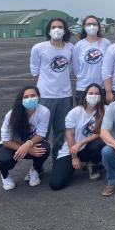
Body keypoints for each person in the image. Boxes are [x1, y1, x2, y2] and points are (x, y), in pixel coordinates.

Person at [29, 18, 73, 160]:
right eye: (53, 26)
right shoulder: (38, 48)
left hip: (65, 95)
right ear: (48, 30)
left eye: (60, 26)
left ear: (65, 30)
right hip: (45, 95)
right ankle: (38, 165)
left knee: (61, 130)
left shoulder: (70, 48)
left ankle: (57, 159)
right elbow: (35, 71)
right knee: (42, 131)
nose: (56, 29)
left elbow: (71, 68)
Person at [49, 84, 106, 190]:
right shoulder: (75, 112)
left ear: (101, 97)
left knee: (101, 141)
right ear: (85, 96)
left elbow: (103, 132)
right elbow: (69, 135)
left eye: (97, 94)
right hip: (72, 149)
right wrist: (74, 157)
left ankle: (92, 163)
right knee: (56, 184)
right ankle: (76, 164)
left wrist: (82, 142)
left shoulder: (105, 110)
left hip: (89, 147)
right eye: (91, 93)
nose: (93, 96)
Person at [0, 86, 51, 190]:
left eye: (33, 95)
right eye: (26, 97)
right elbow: (6, 140)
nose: (30, 99)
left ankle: (35, 170)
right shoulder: (11, 115)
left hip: (29, 143)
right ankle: (5, 176)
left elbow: (41, 134)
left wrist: (28, 145)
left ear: (38, 97)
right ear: (21, 100)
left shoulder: (44, 112)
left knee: (44, 149)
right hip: (12, 145)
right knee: (3, 160)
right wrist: (27, 149)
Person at [72, 15, 111, 104]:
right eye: (88, 24)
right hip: (83, 88)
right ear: (84, 27)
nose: (91, 27)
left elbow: (109, 66)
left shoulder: (106, 43)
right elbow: (76, 69)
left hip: (102, 88)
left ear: (98, 26)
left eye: (94, 24)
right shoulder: (78, 45)